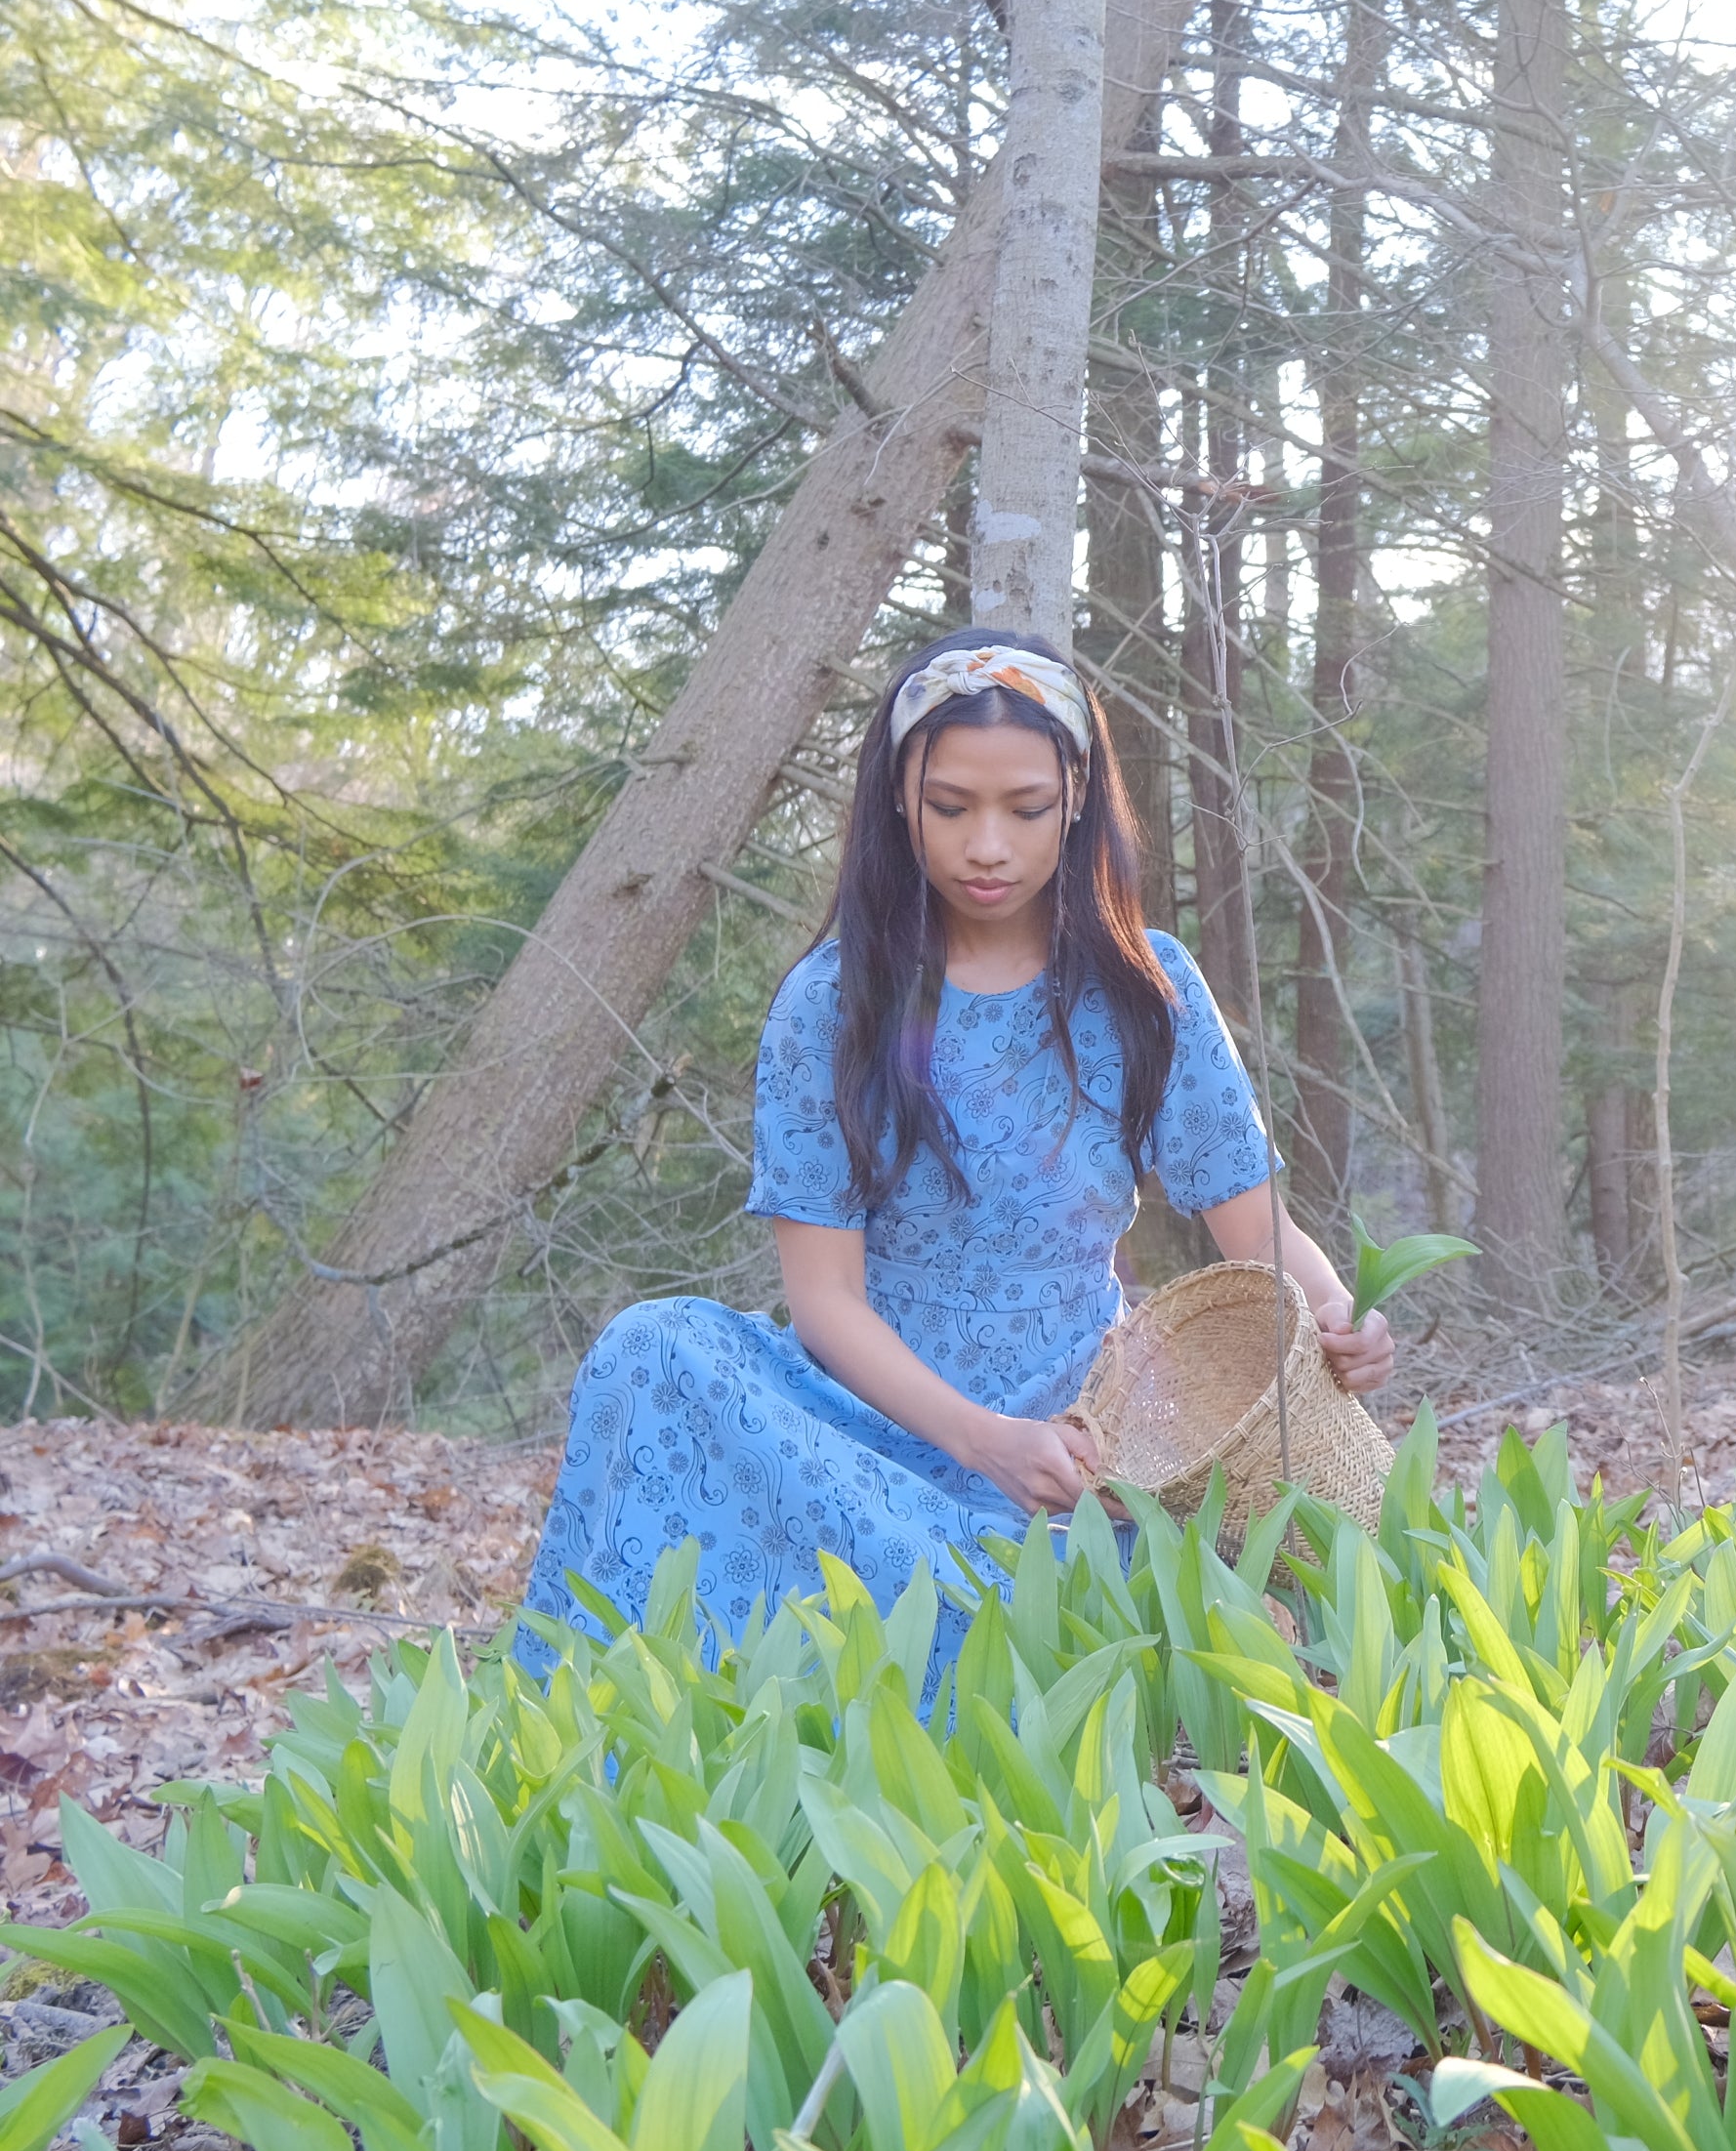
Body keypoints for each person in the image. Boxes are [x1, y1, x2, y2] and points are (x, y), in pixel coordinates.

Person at [519, 627, 1394, 1663]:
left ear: (1075, 798)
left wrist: (1336, 1313)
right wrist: (975, 1437)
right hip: (864, 1427)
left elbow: (1255, 1227)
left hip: (1083, 1439)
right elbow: (825, 1300)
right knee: (652, 1349)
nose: (988, 845)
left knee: (1167, 1589)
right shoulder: (832, 1003)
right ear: (899, 798)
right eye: (951, 807)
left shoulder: (1144, 991)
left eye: (1024, 809)